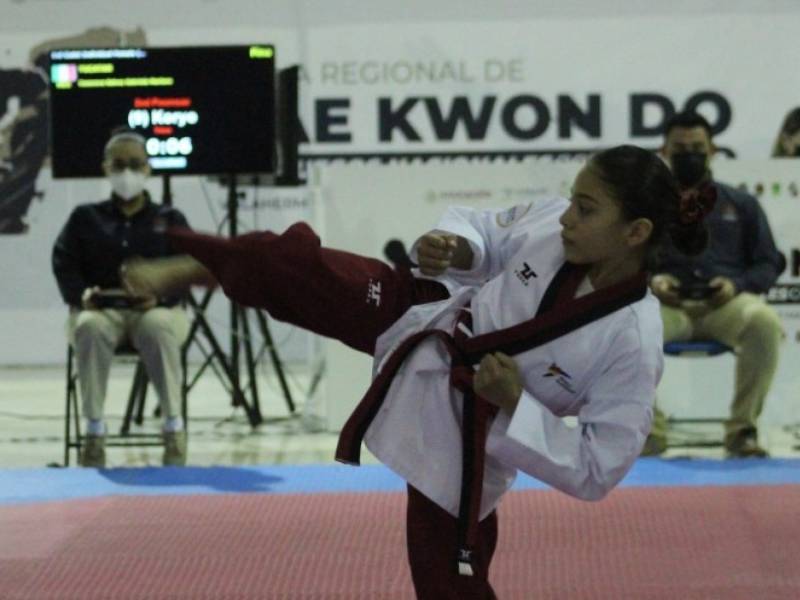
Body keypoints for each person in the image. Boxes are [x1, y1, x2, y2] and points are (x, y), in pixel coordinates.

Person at [121, 145, 708, 599]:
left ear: (636, 233)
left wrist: (515, 403)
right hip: (423, 312)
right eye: (572, 200)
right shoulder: (555, 225)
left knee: (448, 579)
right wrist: (457, 247)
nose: (567, 220)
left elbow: (598, 469)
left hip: (468, 433)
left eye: (587, 209)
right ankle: (199, 264)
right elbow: (489, 233)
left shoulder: (633, 341)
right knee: (295, 266)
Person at [645, 111, 784, 458]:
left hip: (724, 305)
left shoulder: (742, 204)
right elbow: (619, 263)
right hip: (666, 306)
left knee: (763, 322)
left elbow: (769, 261)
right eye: (680, 148)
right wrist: (652, 281)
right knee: (630, 327)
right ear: (663, 150)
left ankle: (742, 433)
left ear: (713, 150)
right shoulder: (646, 206)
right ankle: (649, 433)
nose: (689, 154)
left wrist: (736, 285)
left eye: (697, 147)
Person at [52, 129, 191, 468]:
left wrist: (159, 296)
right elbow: (64, 263)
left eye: (134, 164)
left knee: (158, 326)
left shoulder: (169, 220)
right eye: (119, 165)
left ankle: (174, 427)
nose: (126, 172)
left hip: (157, 311)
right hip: (102, 312)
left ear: (147, 169)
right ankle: (94, 431)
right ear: (106, 168)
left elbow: (189, 269)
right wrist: (82, 294)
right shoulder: (84, 218)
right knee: (88, 327)